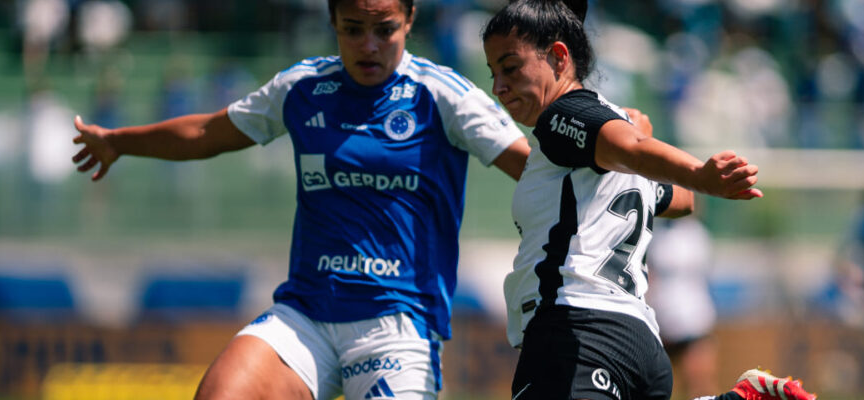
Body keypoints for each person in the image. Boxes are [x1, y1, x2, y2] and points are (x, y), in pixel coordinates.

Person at [70, 0, 530, 399]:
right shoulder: (302, 88)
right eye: (353, 29)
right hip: (305, 314)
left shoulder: (444, 95)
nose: (368, 45)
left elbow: (532, 169)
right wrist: (118, 141)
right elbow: (208, 132)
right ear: (333, 22)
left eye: (384, 29)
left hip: (397, 327)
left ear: (409, 19)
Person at [480, 1, 815, 399]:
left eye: (510, 67)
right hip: (640, 343)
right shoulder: (591, 141)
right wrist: (639, 152)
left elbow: (638, 151)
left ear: (558, 57)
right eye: (493, 73)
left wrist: (694, 171)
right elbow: (682, 201)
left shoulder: (561, 117)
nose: (498, 86)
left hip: (577, 331)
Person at [647, 216, 720, 399]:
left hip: (694, 320)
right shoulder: (655, 235)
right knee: (655, 386)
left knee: (700, 385)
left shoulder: (697, 235)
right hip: (661, 321)